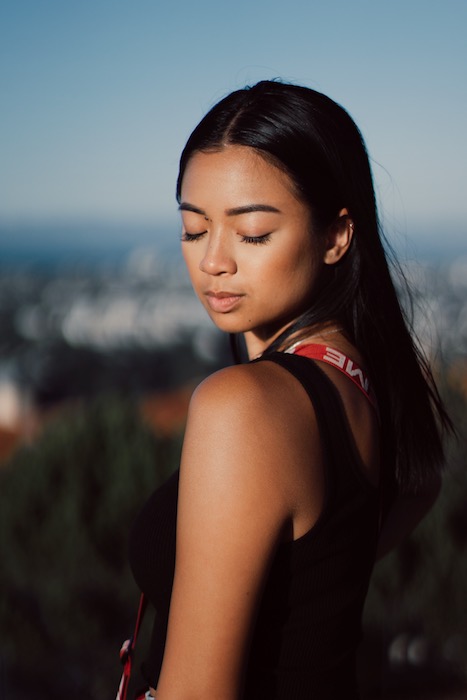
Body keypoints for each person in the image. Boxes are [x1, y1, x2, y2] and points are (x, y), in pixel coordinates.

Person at [129, 80, 451, 700]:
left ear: (336, 235)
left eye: (251, 233)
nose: (213, 260)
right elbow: (422, 479)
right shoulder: (363, 376)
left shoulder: (243, 407)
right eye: (194, 230)